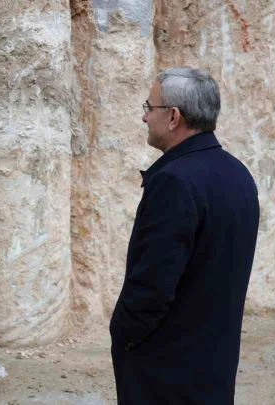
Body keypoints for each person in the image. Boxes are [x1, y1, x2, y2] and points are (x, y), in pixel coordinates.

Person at [109, 68, 259, 405]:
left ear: (174, 116)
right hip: (213, 362)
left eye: (150, 107)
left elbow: (152, 284)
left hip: (167, 368)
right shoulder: (237, 173)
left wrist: (123, 334)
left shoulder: (175, 181)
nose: (145, 117)